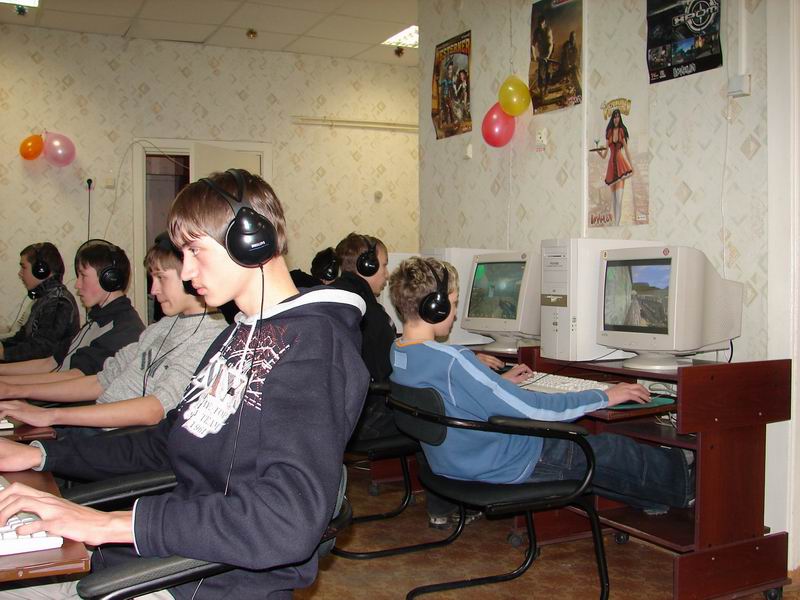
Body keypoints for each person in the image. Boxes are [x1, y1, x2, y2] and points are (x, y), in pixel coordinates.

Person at [0, 168, 369, 599]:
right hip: (162, 555)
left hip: (209, 584)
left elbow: (285, 520)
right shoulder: (234, 338)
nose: (188, 269)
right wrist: (43, 453)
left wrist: (111, 524)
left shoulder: (314, 348)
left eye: (195, 249)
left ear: (250, 241)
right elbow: (167, 440)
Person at [387, 256, 694, 524]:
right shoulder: (453, 360)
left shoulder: (399, 350)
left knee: (595, 459)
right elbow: (532, 410)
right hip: (510, 462)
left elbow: (453, 397)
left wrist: (498, 384)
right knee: (610, 449)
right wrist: (604, 395)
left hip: (454, 464)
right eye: (453, 304)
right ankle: (688, 482)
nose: (454, 314)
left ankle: (655, 498)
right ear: (436, 307)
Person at [0, 235, 227, 436]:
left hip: (117, 438)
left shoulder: (211, 337)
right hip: (96, 428)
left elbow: (155, 409)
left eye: (161, 278)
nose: (153, 290)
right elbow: (102, 380)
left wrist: (50, 415)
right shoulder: (159, 328)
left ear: (190, 278)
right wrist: (13, 390)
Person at [0, 240, 144, 382]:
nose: (77, 285)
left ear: (110, 279)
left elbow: (75, 377)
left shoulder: (124, 329)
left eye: (83, 276)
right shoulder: (95, 322)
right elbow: (50, 363)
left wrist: (12, 389)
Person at [331, 232, 396, 441]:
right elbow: (388, 372)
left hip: (332, 416)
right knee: (430, 415)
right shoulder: (370, 315)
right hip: (363, 421)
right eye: (384, 265)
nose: (387, 274)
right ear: (368, 266)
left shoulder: (330, 298)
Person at [0, 242, 79, 363]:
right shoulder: (45, 298)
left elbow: (43, 350)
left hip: (44, 371)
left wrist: (4, 354)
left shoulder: (58, 302)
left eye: (24, 267)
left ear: (40, 270)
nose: (20, 273)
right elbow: (22, 338)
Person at [597, 109, 634, 226]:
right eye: (614, 117)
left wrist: (631, 166)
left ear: (620, 118)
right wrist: (598, 151)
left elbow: (626, 150)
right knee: (614, 200)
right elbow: (604, 155)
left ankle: (617, 224)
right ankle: (615, 225)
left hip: (621, 165)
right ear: (612, 119)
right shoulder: (609, 133)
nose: (616, 119)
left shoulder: (622, 131)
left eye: (618, 117)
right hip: (611, 167)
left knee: (619, 199)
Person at [531, 13, 554, 96]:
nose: (541, 26)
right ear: (538, 23)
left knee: (549, 72)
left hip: (549, 52)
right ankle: (541, 91)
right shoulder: (537, 32)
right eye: (539, 24)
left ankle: (547, 88)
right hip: (541, 54)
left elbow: (550, 44)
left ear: (544, 23)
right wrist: (534, 56)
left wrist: (548, 56)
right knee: (541, 73)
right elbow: (533, 45)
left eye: (542, 24)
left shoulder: (548, 30)